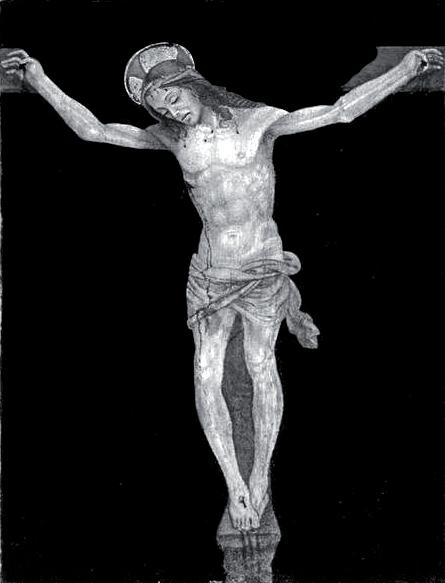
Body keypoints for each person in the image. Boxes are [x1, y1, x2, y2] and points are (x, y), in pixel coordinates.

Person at [2, 44, 442, 532]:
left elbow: (340, 112)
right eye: (161, 108)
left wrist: (407, 69)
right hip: (211, 272)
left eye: (174, 98)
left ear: (193, 85)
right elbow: (95, 130)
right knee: (206, 372)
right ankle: (234, 484)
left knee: (260, 364)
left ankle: (260, 476)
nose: (172, 112)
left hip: (260, 265)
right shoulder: (172, 139)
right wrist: (39, 79)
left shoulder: (258, 122)